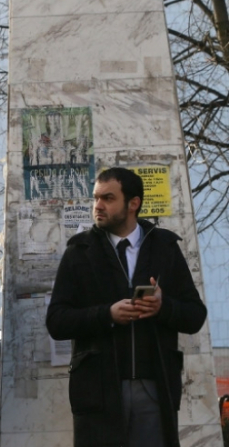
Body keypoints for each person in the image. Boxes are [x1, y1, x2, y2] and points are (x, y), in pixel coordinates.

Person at [46, 167, 207, 447]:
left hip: (154, 387)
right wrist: (106, 315)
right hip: (98, 391)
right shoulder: (79, 251)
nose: (98, 206)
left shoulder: (164, 247)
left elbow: (195, 315)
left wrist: (163, 307)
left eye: (108, 198)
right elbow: (56, 321)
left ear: (133, 203)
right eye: (96, 198)